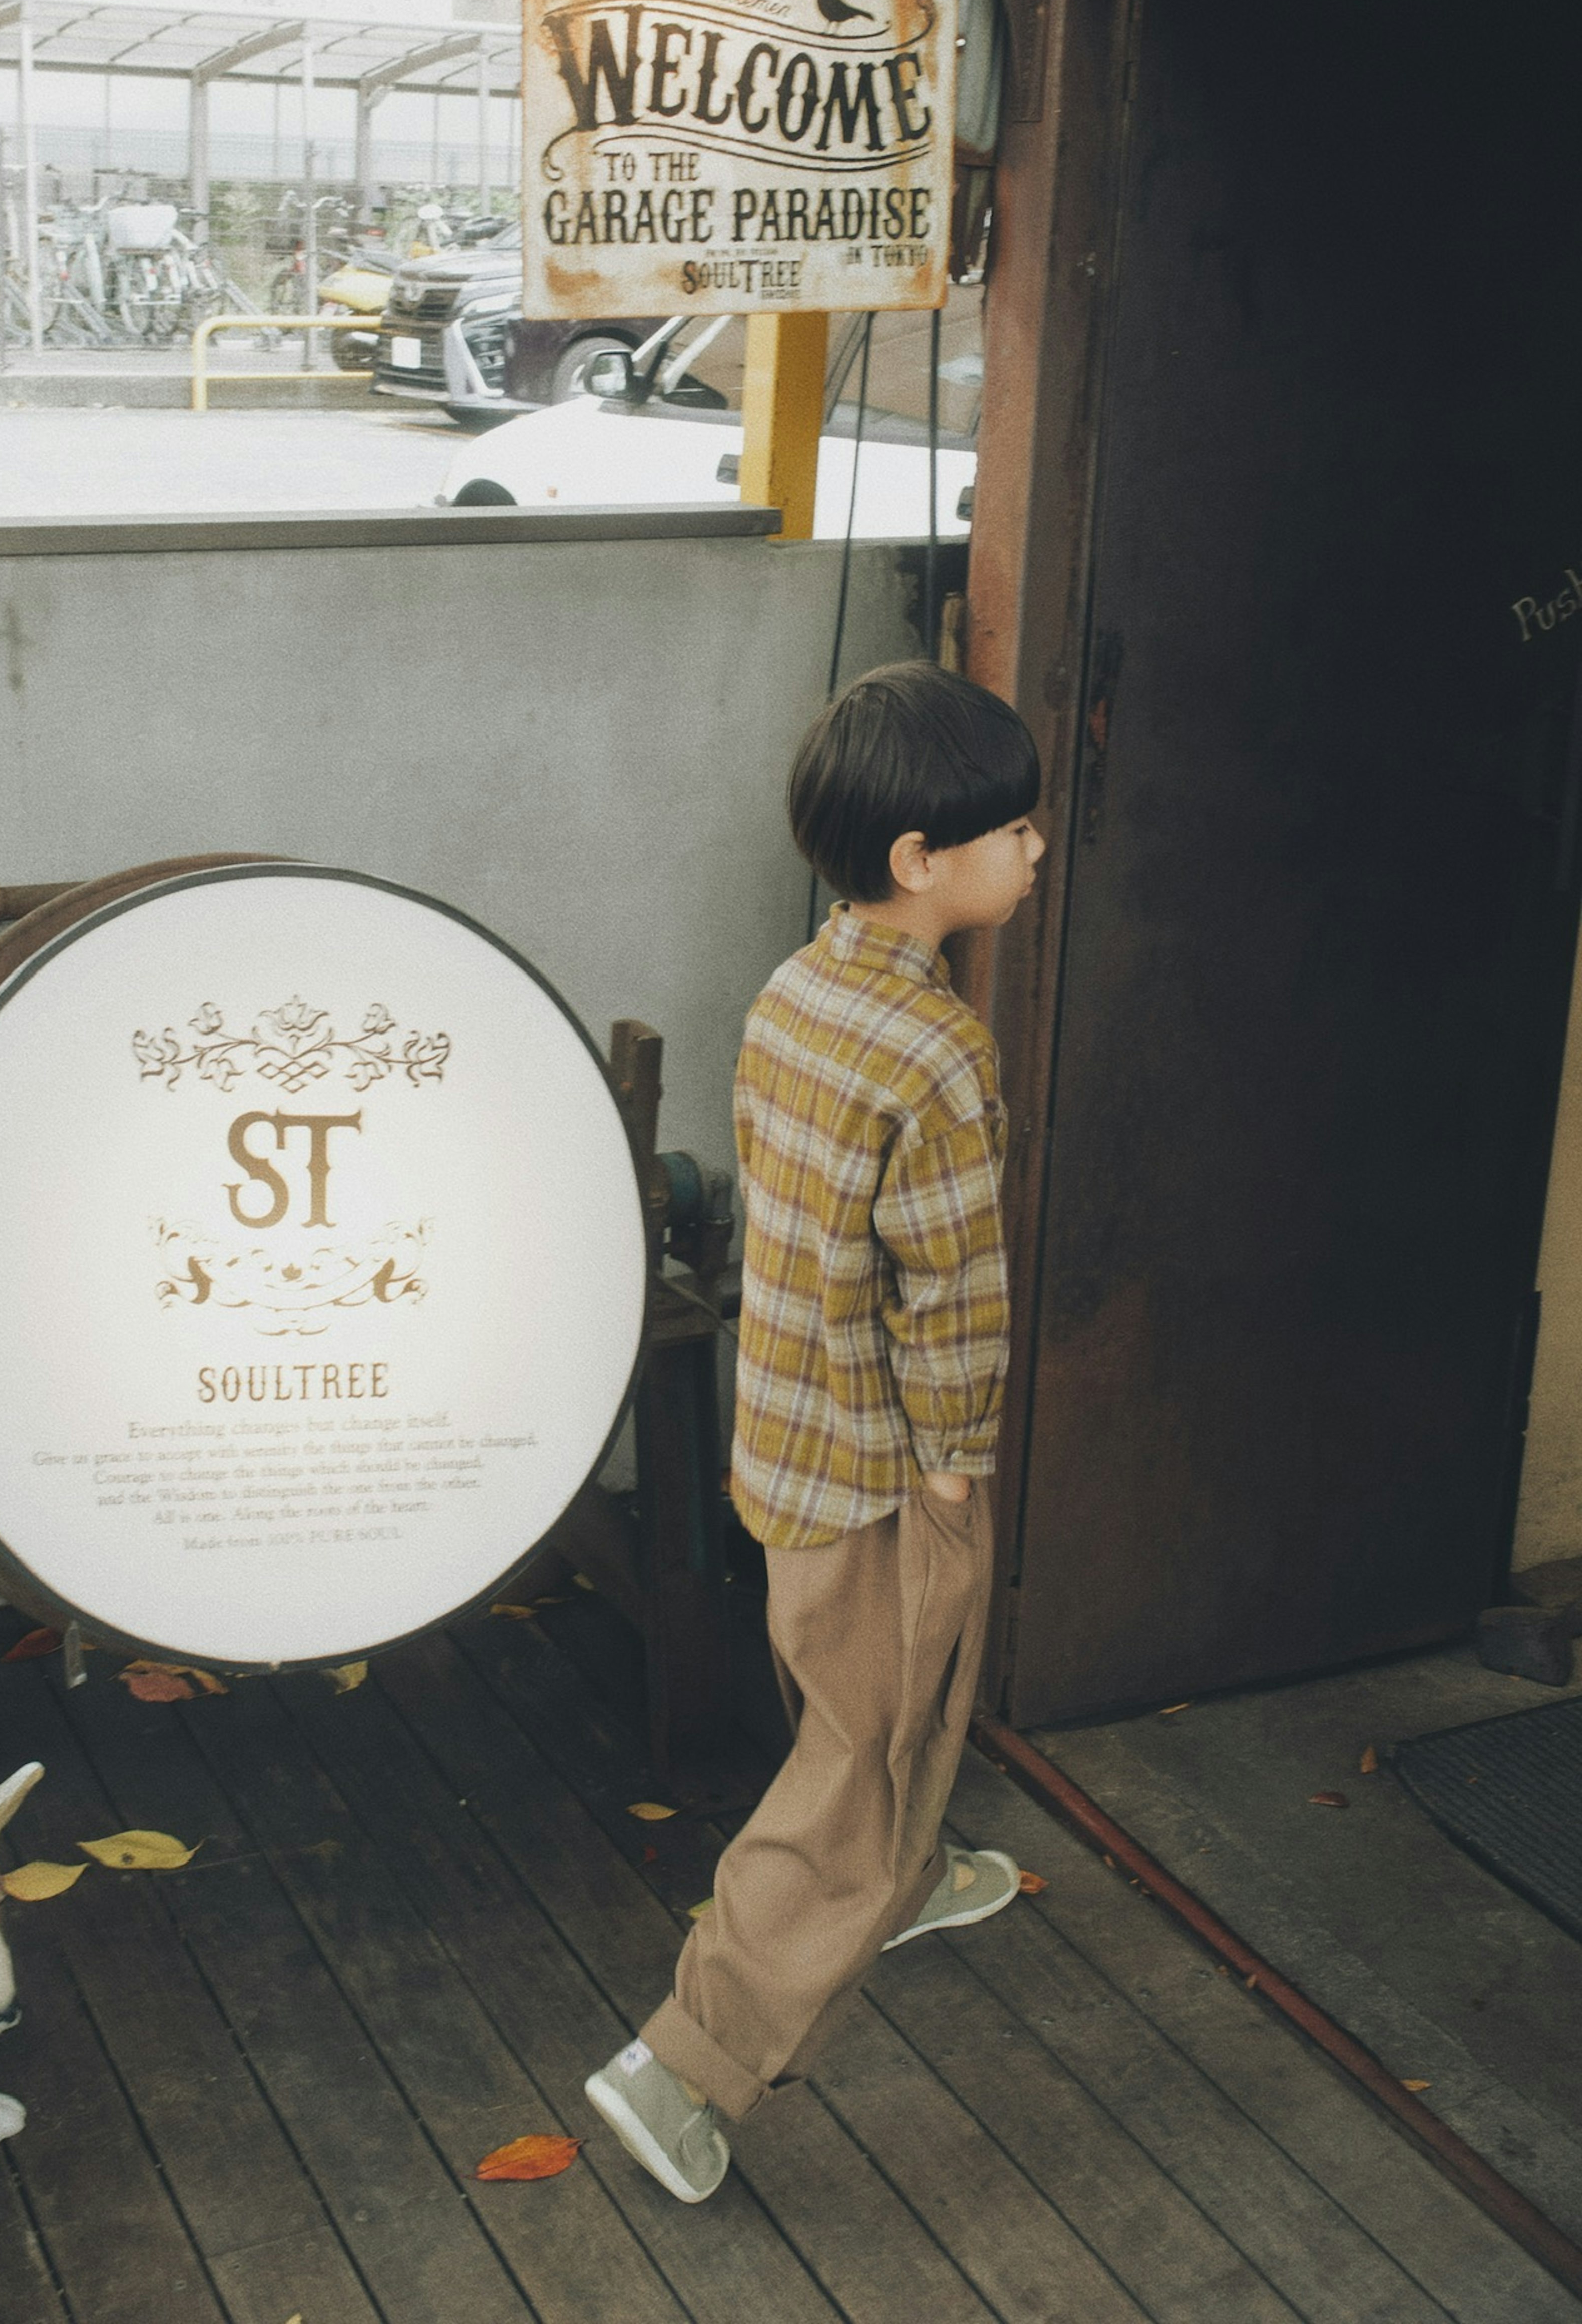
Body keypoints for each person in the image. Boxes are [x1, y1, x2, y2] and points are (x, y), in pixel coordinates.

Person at [585, 658, 1046, 2204]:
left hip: (781, 1444)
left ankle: (908, 1878)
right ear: (926, 864)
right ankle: (685, 2063)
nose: (1039, 847)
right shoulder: (943, 1058)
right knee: (861, 1757)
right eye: (1017, 829)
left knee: (863, 1714)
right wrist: (958, 1464)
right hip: (883, 1473)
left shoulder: (797, 990)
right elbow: (953, 1302)